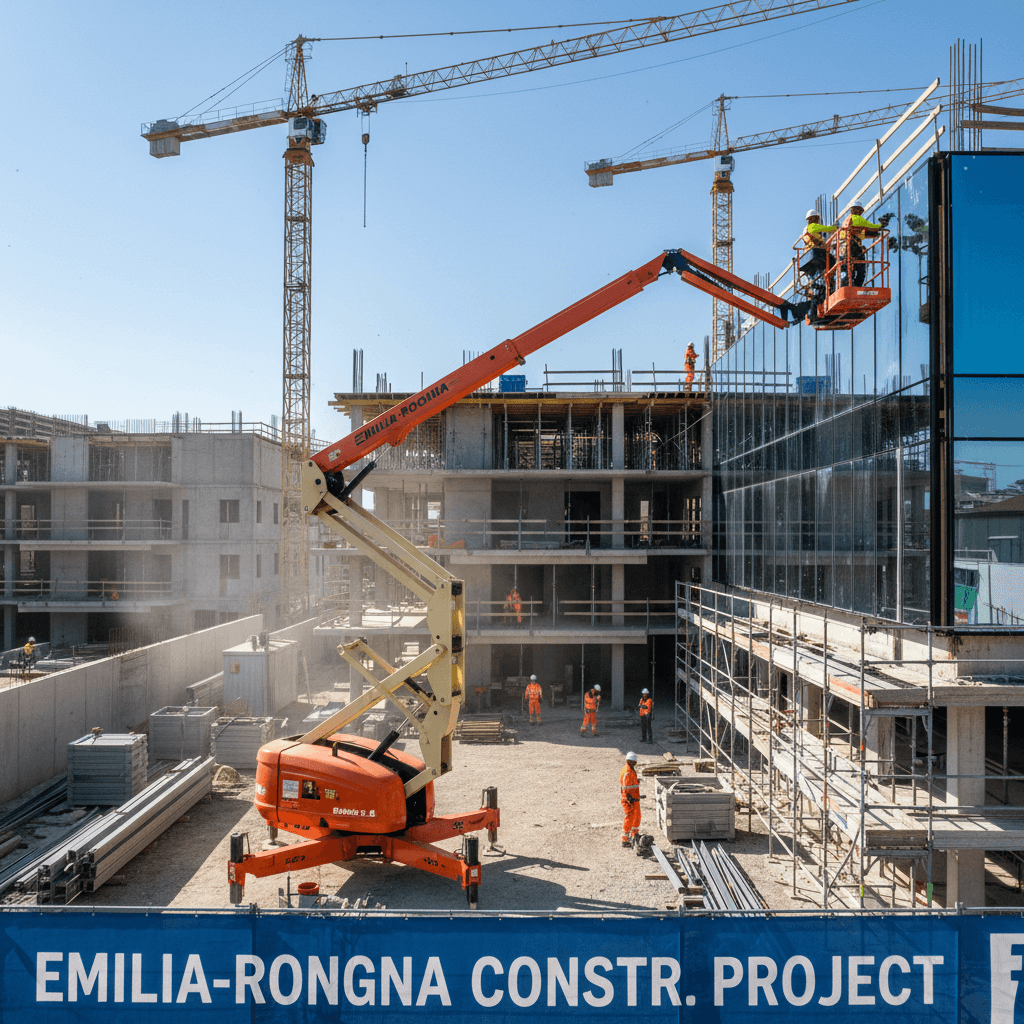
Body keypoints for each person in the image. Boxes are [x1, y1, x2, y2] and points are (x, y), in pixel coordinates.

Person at [840, 204, 893, 286]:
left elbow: (862, 233)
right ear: (855, 210)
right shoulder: (856, 218)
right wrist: (881, 225)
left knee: (850, 270)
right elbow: (871, 227)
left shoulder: (846, 223)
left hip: (844, 249)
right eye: (859, 211)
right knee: (861, 268)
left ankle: (846, 285)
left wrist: (876, 234)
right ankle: (857, 286)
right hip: (853, 247)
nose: (860, 213)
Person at [799, 209, 836, 281]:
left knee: (814, 275)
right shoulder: (813, 226)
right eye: (817, 218)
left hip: (807, 255)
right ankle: (829, 279)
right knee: (833, 261)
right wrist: (837, 228)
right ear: (813, 218)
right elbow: (828, 229)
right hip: (815, 252)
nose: (818, 221)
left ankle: (815, 286)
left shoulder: (805, 229)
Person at [620, 751, 641, 847]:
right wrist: (629, 799)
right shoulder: (628, 772)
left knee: (636, 817)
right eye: (634, 763)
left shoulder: (629, 770)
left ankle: (634, 834)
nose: (635, 764)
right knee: (629, 818)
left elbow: (630, 784)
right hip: (630, 800)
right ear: (630, 761)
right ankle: (625, 840)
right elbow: (625, 787)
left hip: (634, 798)